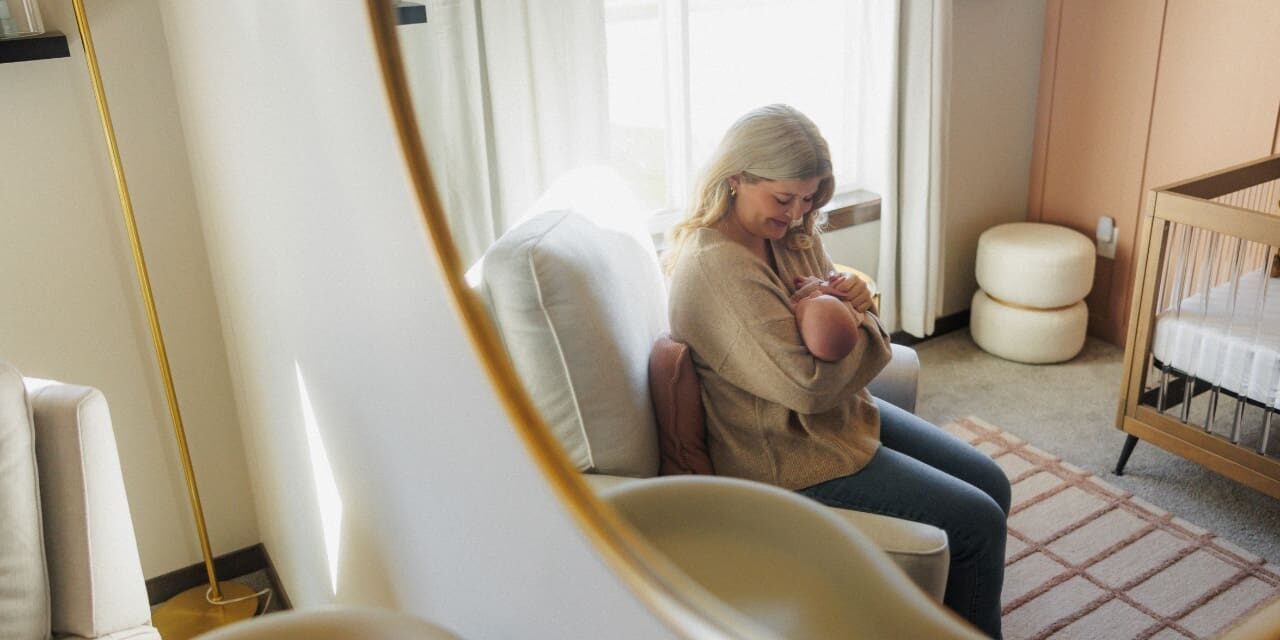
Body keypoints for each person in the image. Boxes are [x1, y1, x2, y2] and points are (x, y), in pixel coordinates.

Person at [664, 104, 1011, 638]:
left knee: (992, 483)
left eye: (809, 198)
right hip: (786, 456)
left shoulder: (793, 233)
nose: (797, 213)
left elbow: (864, 335)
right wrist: (860, 318)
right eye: (784, 198)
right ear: (736, 178)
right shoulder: (715, 268)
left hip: (839, 422)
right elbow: (810, 387)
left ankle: (944, 612)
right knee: (977, 521)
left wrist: (858, 311)